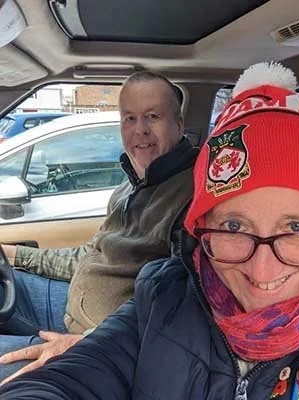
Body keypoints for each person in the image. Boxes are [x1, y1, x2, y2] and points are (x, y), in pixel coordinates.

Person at [1, 62, 299, 400]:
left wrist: (81, 337)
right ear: (203, 229)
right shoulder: (168, 295)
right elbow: (72, 378)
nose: (261, 271)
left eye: (297, 227)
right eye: (233, 226)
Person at [0, 70, 199, 383]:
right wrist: (14, 255)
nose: (140, 129)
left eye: (152, 116)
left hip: (104, 348)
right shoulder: (131, 184)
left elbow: (178, 311)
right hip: (69, 308)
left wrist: (88, 342)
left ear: (179, 125)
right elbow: (89, 255)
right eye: (130, 118)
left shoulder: (193, 195)